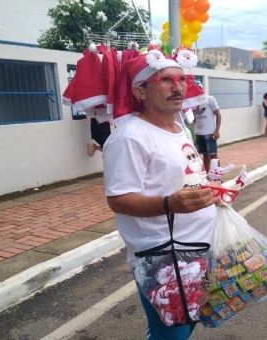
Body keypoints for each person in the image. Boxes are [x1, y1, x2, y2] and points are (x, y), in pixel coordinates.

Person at [103, 49, 221, 340]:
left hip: (198, 248)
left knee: (186, 325)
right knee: (172, 334)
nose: (178, 86)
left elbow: (184, 180)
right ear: (140, 91)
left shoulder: (180, 128)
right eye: (165, 80)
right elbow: (117, 199)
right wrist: (169, 204)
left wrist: (212, 194)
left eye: (182, 79)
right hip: (163, 258)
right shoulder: (130, 137)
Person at [193, 81, 222, 173]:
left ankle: (218, 175)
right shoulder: (192, 103)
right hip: (199, 133)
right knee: (205, 155)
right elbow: (194, 118)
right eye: (195, 89)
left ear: (202, 89)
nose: (197, 90)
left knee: (213, 155)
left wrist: (217, 131)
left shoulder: (210, 99)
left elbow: (218, 115)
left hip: (209, 133)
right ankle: (207, 175)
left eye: (199, 88)